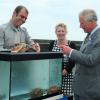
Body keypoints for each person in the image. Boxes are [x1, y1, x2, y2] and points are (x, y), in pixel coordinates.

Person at [59, 9, 100, 100]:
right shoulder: (89, 35)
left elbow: (91, 60)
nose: (80, 26)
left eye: (82, 23)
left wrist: (70, 51)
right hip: (80, 89)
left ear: (91, 22)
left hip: (90, 92)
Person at [49, 23, 76, 96]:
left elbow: (73, 60)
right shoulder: (52, 43)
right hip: (54, 76)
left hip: (67, 75)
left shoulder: (71, 44)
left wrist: (66, 70)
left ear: (66, 32)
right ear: (56, 32)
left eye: (62, 31)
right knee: (55, 95)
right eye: (59, 31)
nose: (61, 33)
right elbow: (49, 59)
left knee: (67, 96)